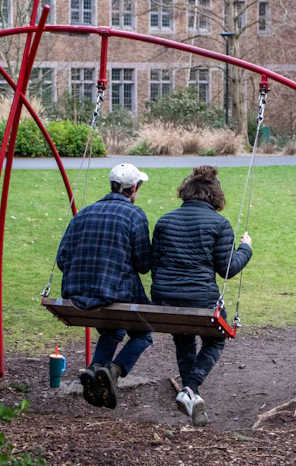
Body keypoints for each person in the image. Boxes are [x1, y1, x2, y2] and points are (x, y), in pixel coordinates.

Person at [151, 166, 252, 427]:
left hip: (165, 298)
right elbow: (227, 269)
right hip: (200, 299)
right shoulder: (219, 223)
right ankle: (190, 388)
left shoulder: (164, 221)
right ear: (214, 196)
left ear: (187, 192)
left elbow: (154, 263)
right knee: (216, 339)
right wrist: (246, 248)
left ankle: (189, 396)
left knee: (184, 339)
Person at [56, 163, 152, 409]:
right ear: (133, 188)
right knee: (143, 333)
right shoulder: (134, 214)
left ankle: (95, 369)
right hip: (112, 294)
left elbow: (61, 260)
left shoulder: (84, 212)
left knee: (114, 329)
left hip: (76, 296)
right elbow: (143, 265)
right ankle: (114, 370)